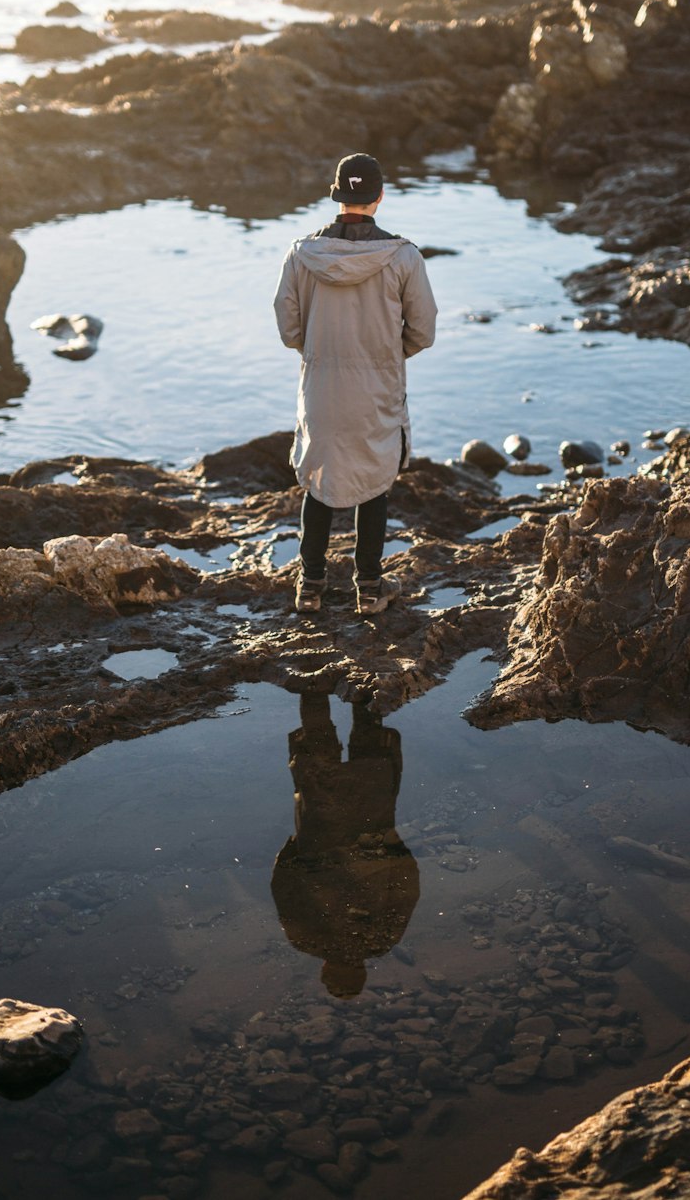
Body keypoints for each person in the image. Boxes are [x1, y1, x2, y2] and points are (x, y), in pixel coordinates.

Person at [273, 153, 437, 615]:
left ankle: (310, 587)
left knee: (320, 482)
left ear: (337, 195)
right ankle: (369, 589)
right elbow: (423, 331)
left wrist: (325, 352)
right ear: (379, 198)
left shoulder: (302, 254)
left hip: (321, 386)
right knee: (373, 482)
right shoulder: (403, 256)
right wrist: (382, 354)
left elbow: (289, 330)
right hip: (378, 387)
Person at [270, 691, 419, 998]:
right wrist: (290, 853)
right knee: (318, 744)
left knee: (368, 745)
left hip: (370, 828)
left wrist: (396, 849)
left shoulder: (382, 939)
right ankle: (315, 677)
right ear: (326, 969)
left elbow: (407, 885)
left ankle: (358, 681)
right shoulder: (309, 941)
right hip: (321, 833)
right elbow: (284, 888)